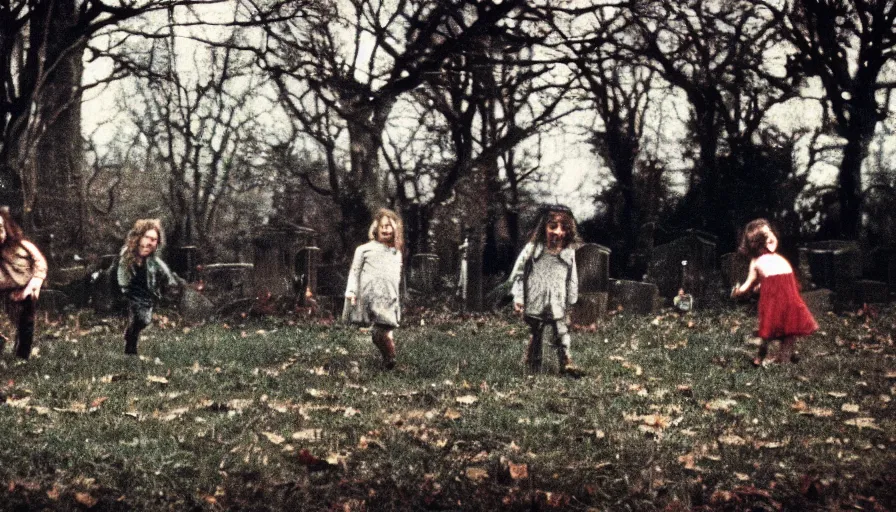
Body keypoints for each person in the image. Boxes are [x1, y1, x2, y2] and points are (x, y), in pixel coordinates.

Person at [508, 204, 582, 376]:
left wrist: (572, 298)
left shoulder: (568, 253)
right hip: (536, 296)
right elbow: (520, 274)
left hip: (557, 298)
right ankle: (533, 359)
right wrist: (518, 297)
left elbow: (572, 276)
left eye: (564, 227)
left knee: (561, 329)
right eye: (553, 226)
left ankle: (565, 360)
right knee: (537, 329)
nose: (558, 232)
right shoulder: (534, 249)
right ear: (544, 227)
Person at [732, 218, 817, 366]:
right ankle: (772, 357)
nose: (771, 237)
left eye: (771, 232)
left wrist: (740, 291)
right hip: (783, 299)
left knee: (777, 331)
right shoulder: (767, 260)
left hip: (781, 298)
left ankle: (773, 359)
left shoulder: (763, 260)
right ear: (757, 244)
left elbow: (754, 283)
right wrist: (747, 289)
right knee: (780, 331)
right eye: (765, 235)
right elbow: (758, 283)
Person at [343, 208, 404, 369]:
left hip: (388, 297)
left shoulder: (395, 253)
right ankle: (388, 357)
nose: (385, 229)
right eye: (382, 226)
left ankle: (389, 357)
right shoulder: (364, 249)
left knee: (380, 332)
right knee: (377, 332)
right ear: (376, 228)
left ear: (395, 230)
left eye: (389, 226)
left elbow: (395, 277)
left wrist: (397, 298)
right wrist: (351, 291)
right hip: (370, 296)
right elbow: (354, 272)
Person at [117, 219, 181, 355]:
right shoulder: (126, 255)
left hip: (145, 293)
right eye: (147, 237)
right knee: (137, 317)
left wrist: (171, 282)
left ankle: (130, 335)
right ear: (139, 238)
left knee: (145, 320)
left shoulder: (153, 261)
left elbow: (165, 272)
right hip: (129, 291)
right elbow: (120, 274)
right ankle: (131, 348)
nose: (149, 243)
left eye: (154, 240)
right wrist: (123, 291)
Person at [0, 208, 47, 359]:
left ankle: (23, 353)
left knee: (26, 320)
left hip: (24, 287)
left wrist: (35, 283)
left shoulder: (22, 245)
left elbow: (40, 263)